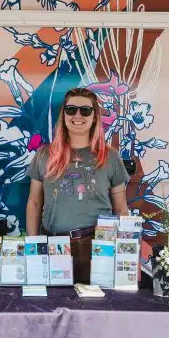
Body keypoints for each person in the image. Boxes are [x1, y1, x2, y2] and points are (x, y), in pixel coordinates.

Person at [27, 87, 130, 283]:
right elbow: (33, 203)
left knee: (96, 310)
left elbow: (121, 208)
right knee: (52, 307)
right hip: (53, 245)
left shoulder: (111, 157)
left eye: (85, 110)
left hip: (97, 247)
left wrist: (124, 250)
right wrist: (33, 246)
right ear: (63, 114)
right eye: (71, 109)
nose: (77, 115)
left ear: (94, 117)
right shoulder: (43, 155)